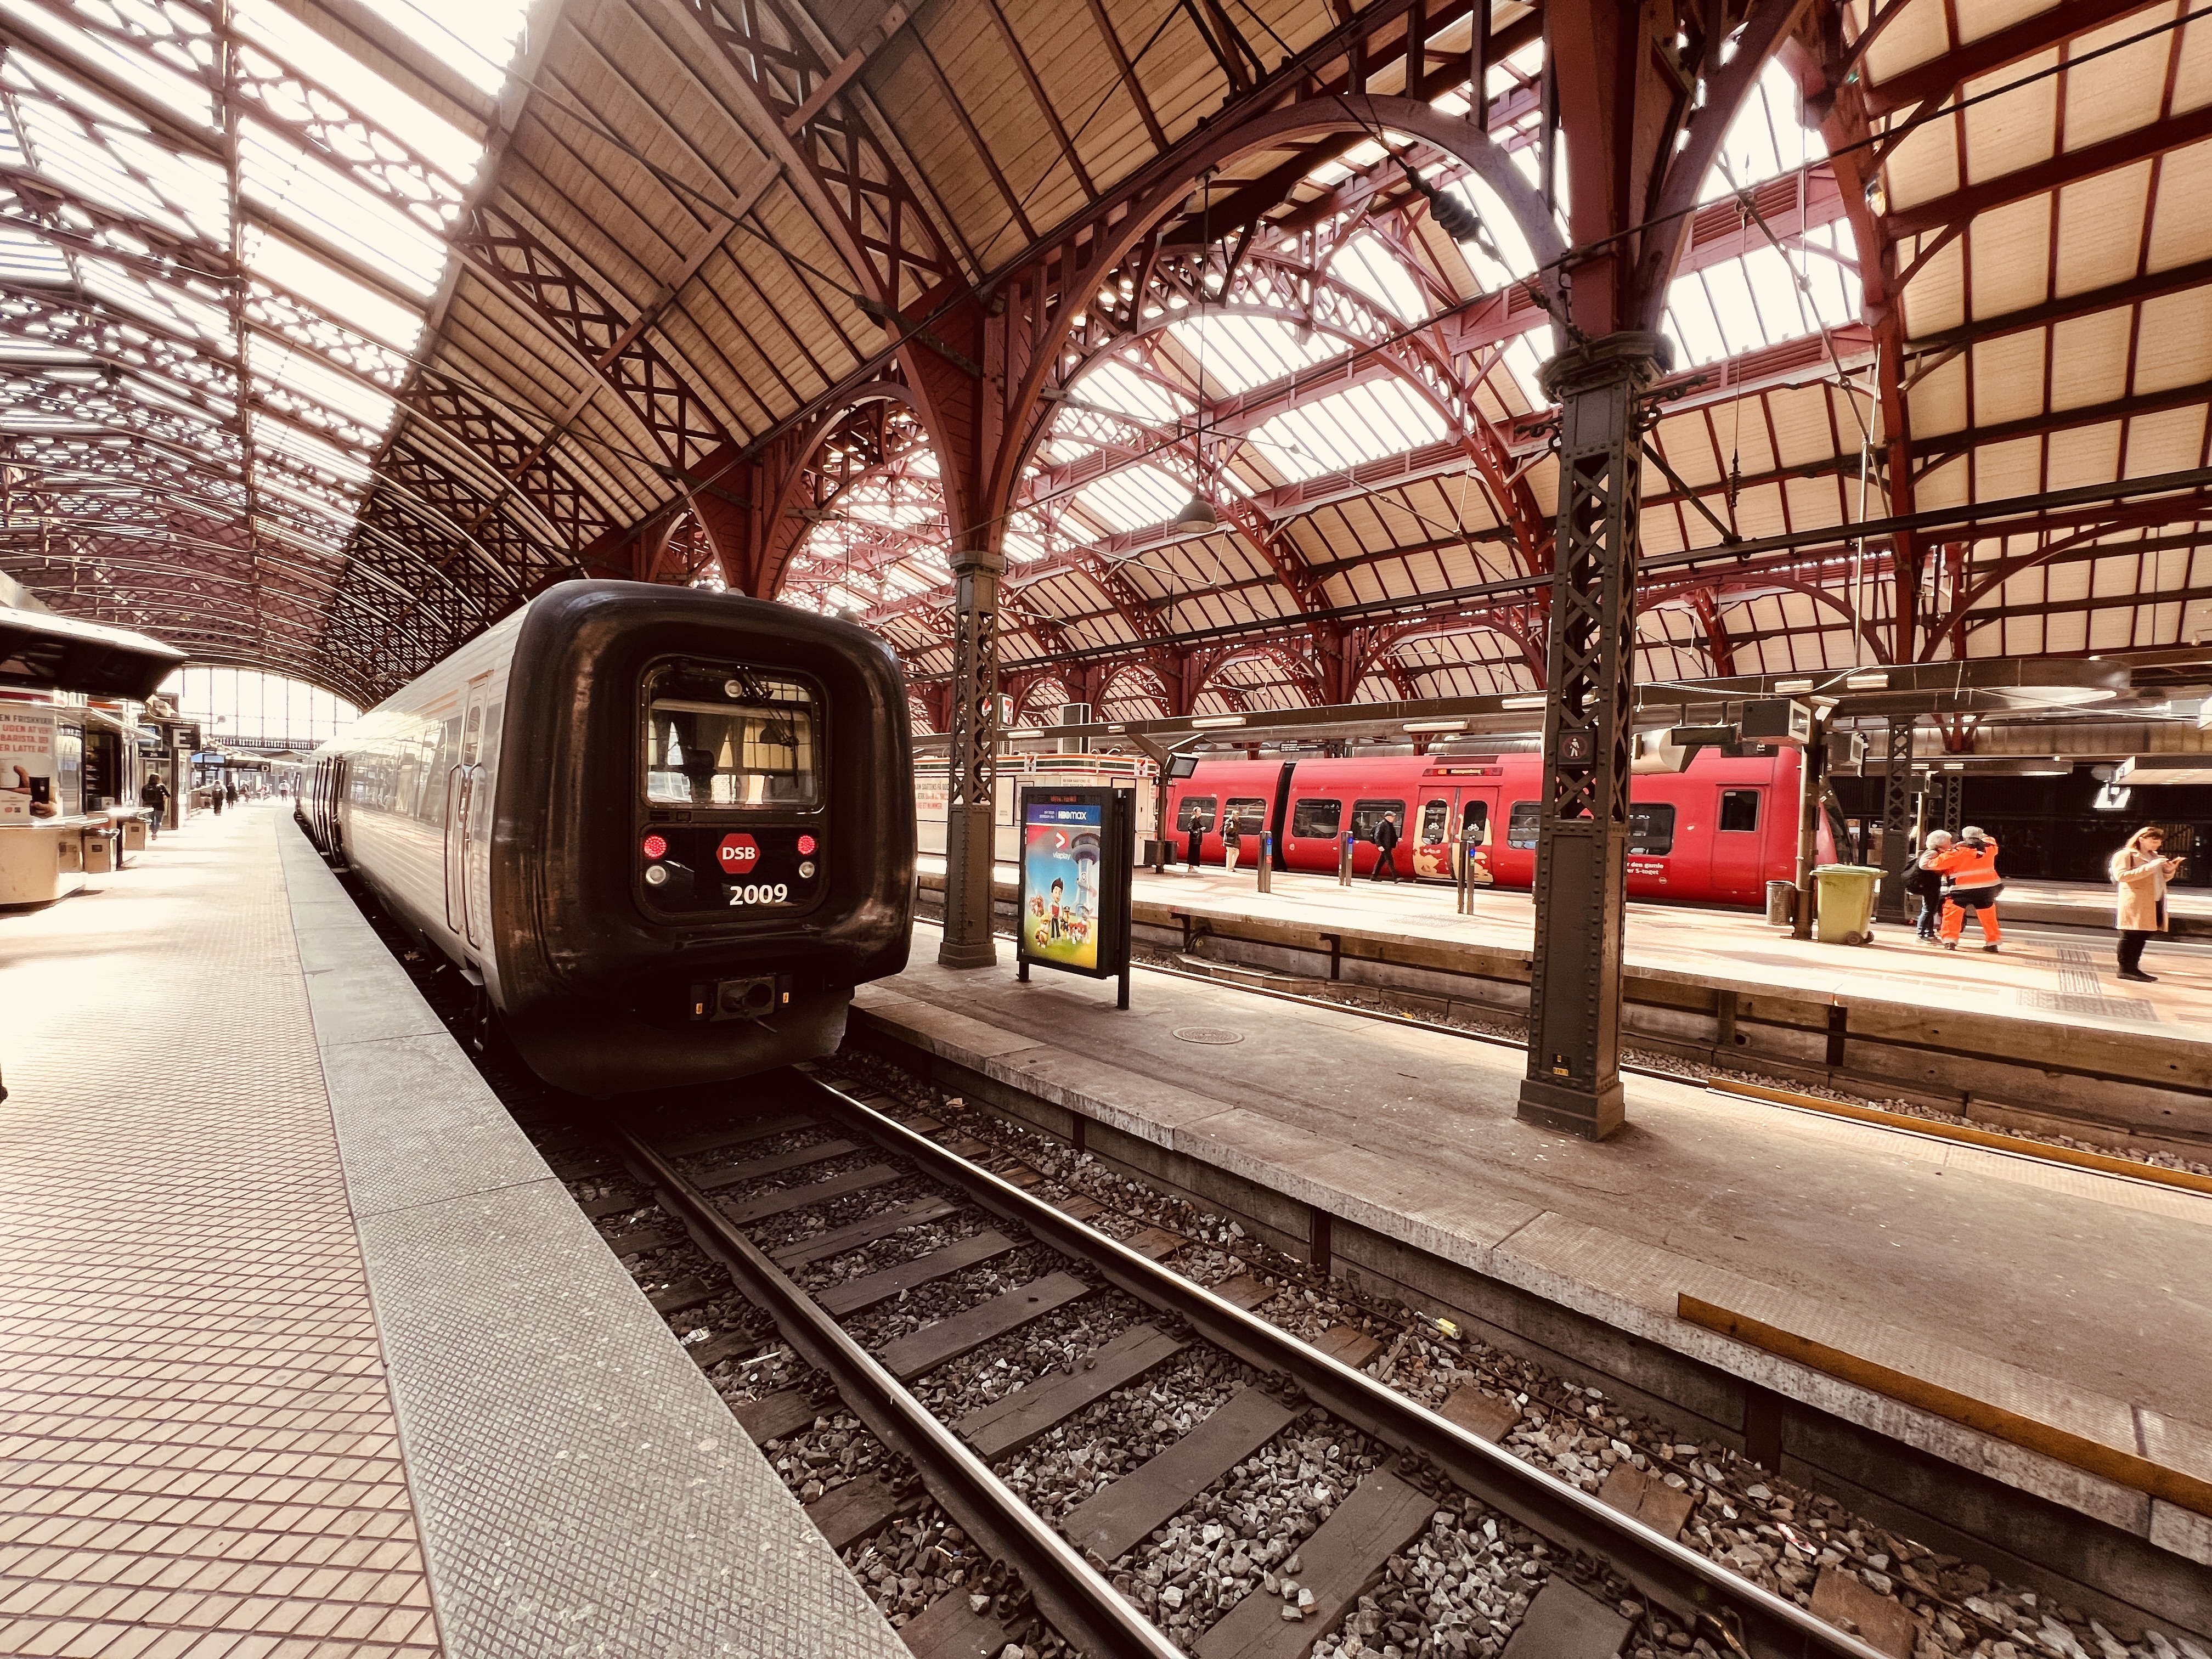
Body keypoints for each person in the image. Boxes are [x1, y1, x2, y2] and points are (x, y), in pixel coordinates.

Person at [2111, 826, 2184, 983]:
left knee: (2143, 934)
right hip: (2136, 901)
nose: (2158, 844)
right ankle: (2125, 969)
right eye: (2154, 840)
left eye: (2159, 841)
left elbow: (2159, 879)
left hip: (2153, 900)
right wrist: (2149, 867)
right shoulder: (2125, 855)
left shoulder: (2154, 856)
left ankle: (2134, 968)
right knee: (2131, 935)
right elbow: (2121, 876)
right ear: (2141, 839)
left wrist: (2169, 870)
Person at [1928, 824, 2002, 952]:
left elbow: (1935, 864)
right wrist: (1980, 836)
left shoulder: (1958, 851)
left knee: (1952, 915)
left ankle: (1950, 942)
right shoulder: (1990, 848)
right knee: (1989, 917)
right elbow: (1990, 839)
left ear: (1964, 837)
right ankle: (1993, 943)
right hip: (1987, 889)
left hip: (1960, 890)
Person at [1907, 829, 1951, 941]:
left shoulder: (1938, 852)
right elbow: (1923, 865)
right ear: (1941, 842)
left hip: (1932, 884)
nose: (1950, 843)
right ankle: (1921, 933)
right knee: (1928, 909)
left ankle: (1929, 933)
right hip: (1928, 884)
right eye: (1949, 841)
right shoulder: (1933, 852)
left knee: (1931, 909)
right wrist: (1939, 868)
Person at [1370, 810, 1402, 882]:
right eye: (1393, 817)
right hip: (1385, 846)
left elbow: (1391, 835)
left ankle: (1374, 876)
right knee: (1390, 862)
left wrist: (1397, 839)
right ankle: (1396, 877)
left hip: (1388, 846)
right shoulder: (1382, 824)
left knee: (1381, 862)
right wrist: (1379, 845)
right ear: (1388, 817)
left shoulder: (1390, 825)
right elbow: (1377, 836)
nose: (1394, 818)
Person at [140, 772, 170, 840]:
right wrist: (163, 797)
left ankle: (152, 830)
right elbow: (168, 795)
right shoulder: (161, 786)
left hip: (148, 806)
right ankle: (155, 833)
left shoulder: (145, 787)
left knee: (151, 820)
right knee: (158, 820)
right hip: (159, 805)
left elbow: (143, 797)